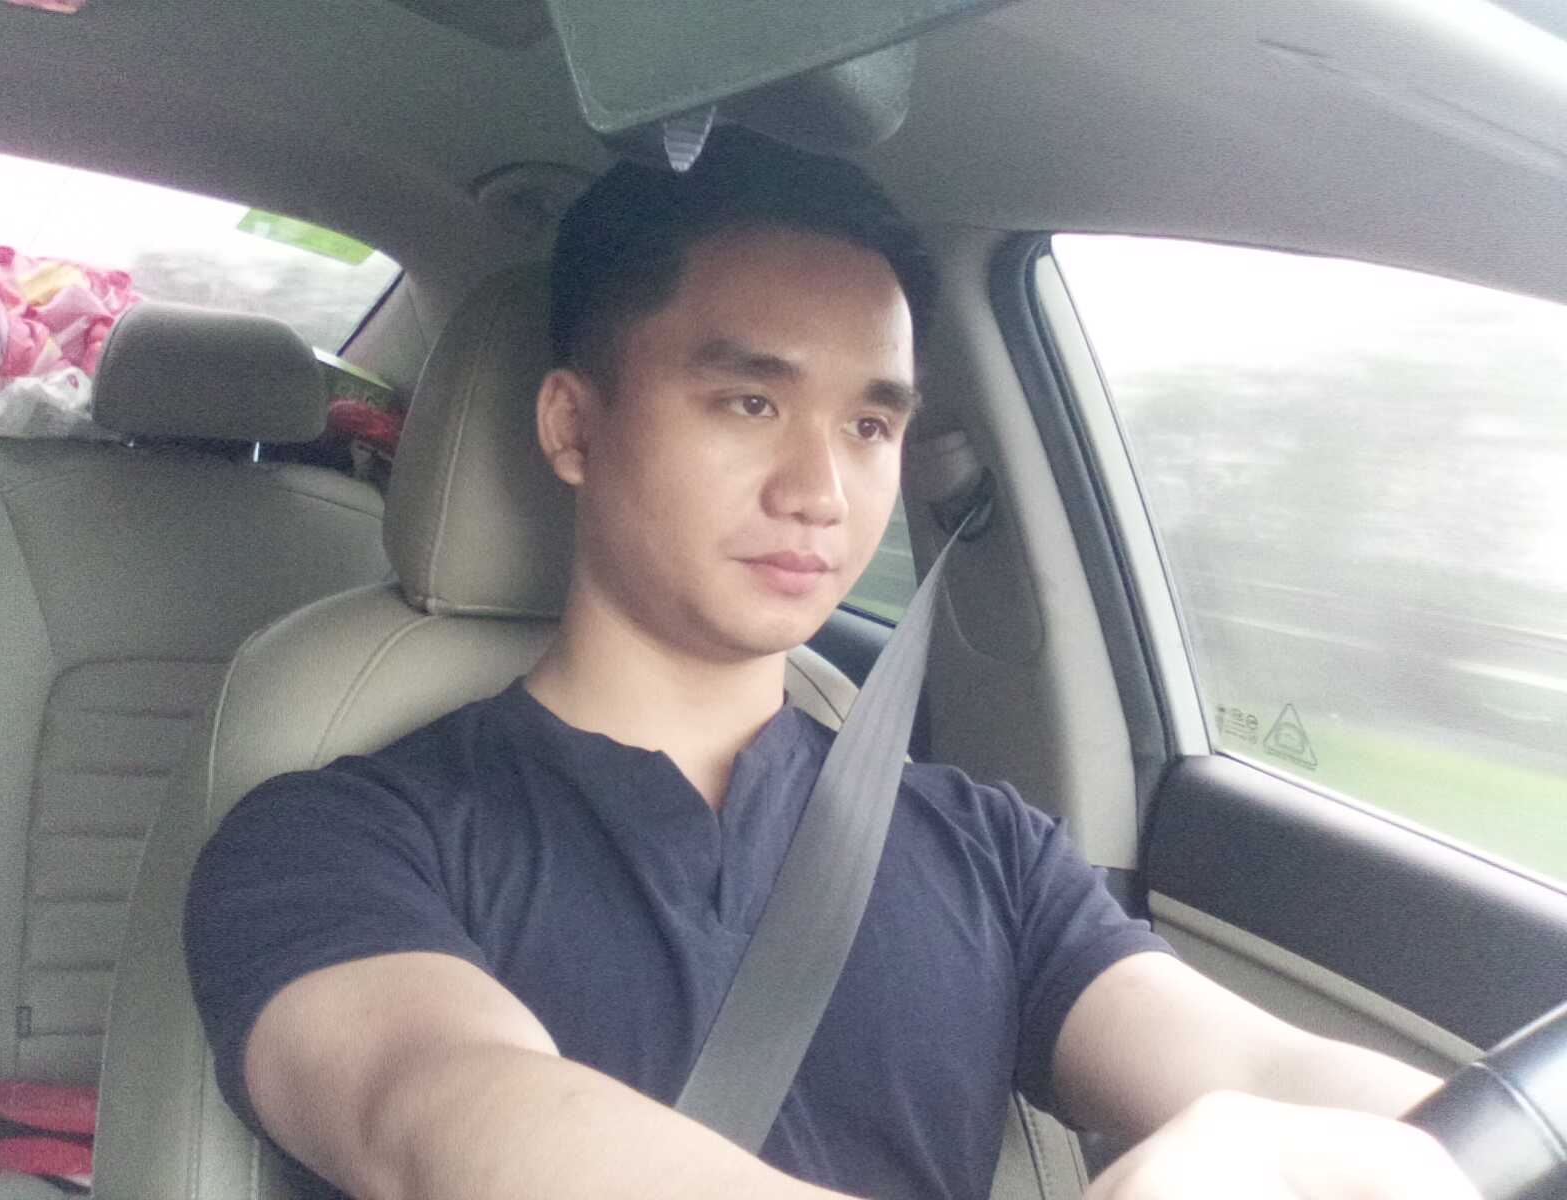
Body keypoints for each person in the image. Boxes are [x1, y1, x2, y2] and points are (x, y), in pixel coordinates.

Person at [184, 127, 1478, 1200]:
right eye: (750, 402)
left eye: (869, 424)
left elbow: (1254, 1068)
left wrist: (1466, 1146)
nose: (820, 490)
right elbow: (450, 1114)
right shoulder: (330, 842)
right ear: (574, 426)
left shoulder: (987, 850)